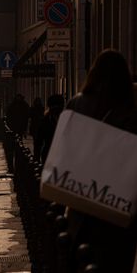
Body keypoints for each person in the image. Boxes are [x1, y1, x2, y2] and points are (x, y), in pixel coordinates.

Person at [65, 49, 137, 272]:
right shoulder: (131, 109)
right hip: (120, 207)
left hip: (82, 200)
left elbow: (65, 153)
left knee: (81, 260)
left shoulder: (78, 105)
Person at [33, 94, 64, 164]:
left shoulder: (45, 120)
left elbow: (38, 141)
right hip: (50, 154)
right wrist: (36, 158)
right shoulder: (46, 120)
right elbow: (39, 141)